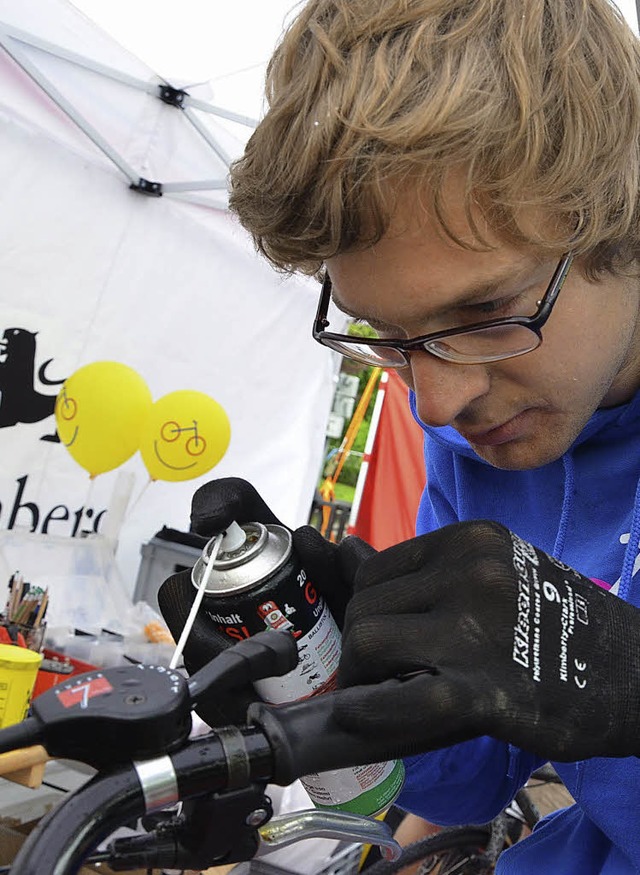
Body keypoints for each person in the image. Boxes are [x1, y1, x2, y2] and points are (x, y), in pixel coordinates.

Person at [160, 1, 640, 872]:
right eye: (386, 332)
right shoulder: (481, 441)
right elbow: (465, 785)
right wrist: (344, 681)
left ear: (624, 218)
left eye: (487, 311)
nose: (435, 402)